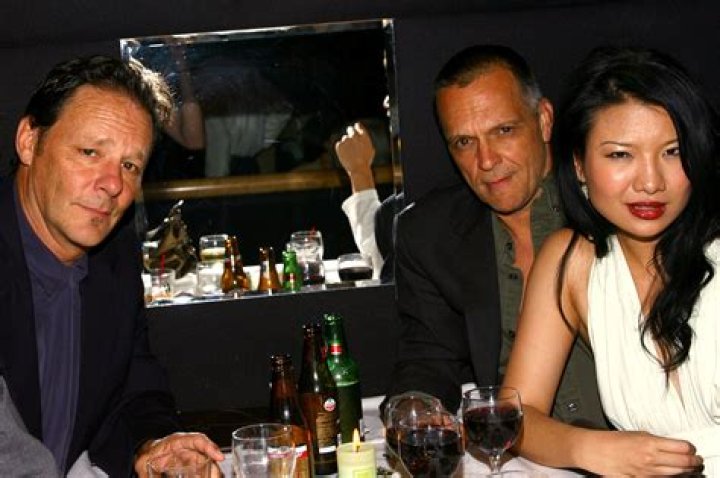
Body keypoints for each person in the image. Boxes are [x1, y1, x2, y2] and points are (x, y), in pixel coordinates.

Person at [0, 55, 223, 476]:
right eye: (90, 152)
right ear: (29, 141)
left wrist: (155, 444)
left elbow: (134, 383)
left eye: (129, 165)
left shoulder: (113, 258)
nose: (114, 184)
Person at [503, 46, 720, 475]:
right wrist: (591, 448)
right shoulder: (573, 262)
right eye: (621, 154)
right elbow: (516, 415)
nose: (650, 182)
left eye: (672, 151)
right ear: (579, 165)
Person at [384, 45, 607, 429]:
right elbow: (429, 356)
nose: (486, 161)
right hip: (516, 448)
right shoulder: (430, 234)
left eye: (504, 131)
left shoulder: (610, 201)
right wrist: (413, 409)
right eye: (464, 142)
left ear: (544, 120)